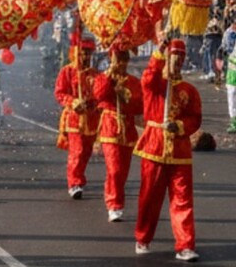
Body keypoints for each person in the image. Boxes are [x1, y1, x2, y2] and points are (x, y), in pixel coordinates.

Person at [134, 37, 201, 262]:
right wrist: (160, 49)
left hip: (179, 152)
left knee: (182, 200)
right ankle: (143, 238)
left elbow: (195, 118)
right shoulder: (155, 84)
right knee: (149, 197)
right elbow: (149, 77)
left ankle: (185, 245)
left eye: (181, 57)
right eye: (174, 56)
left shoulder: (189, 90)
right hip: (154, 147)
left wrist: (180, 126)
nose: (177, 61)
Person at [95, 47, 143, 223]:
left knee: (122, 171)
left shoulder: (134, 82)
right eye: (118, 59)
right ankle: (114, 204)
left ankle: (114, 196)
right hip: (110, 127)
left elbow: (140, 106)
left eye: (124, 59)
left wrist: (126, 98)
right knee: (114, 169)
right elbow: (99, 95)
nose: (121, 63)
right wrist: (110, 77)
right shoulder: (103, 78)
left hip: (127, 129)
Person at [54, 33, 100, 199]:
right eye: (83, 53)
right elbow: (59, 93)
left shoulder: (95, 74)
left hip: (91, 120)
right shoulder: (67, 71)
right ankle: (74, 183)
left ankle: (79, 177)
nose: (86, 57)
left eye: (88, 53)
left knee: (86, 153)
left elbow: (100, 95)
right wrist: (73, 102)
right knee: (77, 151)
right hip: (74, 119)